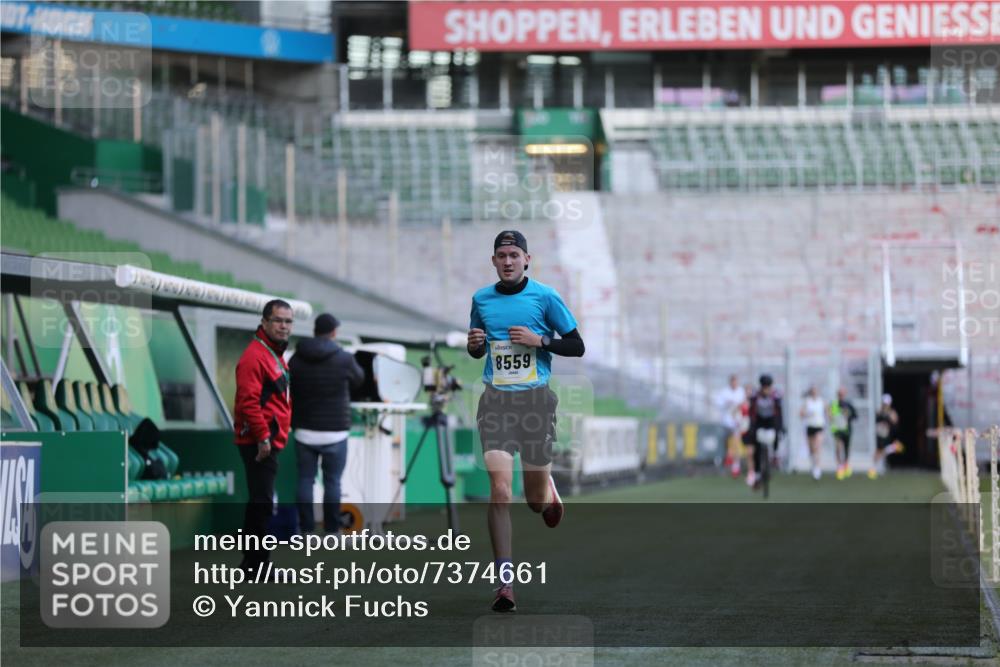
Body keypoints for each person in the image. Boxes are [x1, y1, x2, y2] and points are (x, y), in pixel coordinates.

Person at [467, 230, 585, 612]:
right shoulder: (480, 300)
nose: (507, 261)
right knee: (500, 491)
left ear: (527, 260)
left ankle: (546, 489)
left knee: (534, 503)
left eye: (514, 254)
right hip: (496, 402)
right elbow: (479, 347)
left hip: (535, 403)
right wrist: (475, 347)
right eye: (501, 255)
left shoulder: (545, 297)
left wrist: (540, 341)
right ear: (493, 260)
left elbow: (577, 345)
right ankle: (505, 583)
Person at [289, 313, 364, 535]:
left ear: (315, 330)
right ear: (333, 332)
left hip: (304, 431)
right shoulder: (344, 358)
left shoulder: (295, 357)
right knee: (333, 483)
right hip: (335, 432)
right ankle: (332, 531)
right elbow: (358, 380)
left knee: (305, 480)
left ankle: (306, 531)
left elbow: (288, 384)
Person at [233, 299, 293, 571]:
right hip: (259, 442)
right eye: (279, 320)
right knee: (262, 503)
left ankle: (251, 563)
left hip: (267, 439)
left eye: (288, 321)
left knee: (261, 501)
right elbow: (248, 402)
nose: (284, 326)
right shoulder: (255, 356)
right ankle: (257, 565)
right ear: (265, 322)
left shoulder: (272, 353)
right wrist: (263, 438)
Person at [747, 374, 783, 489]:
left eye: (768, 387)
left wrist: (780, 427)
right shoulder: (755, 396)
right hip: (759, 422)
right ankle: (757, 474)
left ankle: (775, 455)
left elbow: (779, 413)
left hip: (771, 421)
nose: (766, 390)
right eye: (764, 387)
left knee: (776, 434)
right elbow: (751, 413)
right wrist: (751, 428)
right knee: (756, 449)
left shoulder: (775, 396)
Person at [716, 375, 746, 478]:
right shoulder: (724, 392)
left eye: (736, 382)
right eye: (732, 382)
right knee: (725, 443)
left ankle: (735, 466)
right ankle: (727, 459)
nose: (734, 384)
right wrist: (727, 403)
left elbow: (743, 405)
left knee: (736, 442)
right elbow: (718, 403)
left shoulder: (741, 392)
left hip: (736, 422)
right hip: (726, 422)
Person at [869, 393, 904, 479]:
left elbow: (895, 422)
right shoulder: (880, 411)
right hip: (881, 434)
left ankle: (893, 448)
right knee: (879, 450)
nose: (885, 405)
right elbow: (877, 420)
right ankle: (873, 468)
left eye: (886, 403)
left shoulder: (891, 412)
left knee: (882, 450)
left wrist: (888, 417)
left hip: (888, 434)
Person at [829, 387, 858, 480]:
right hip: (837, 429)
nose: (841, 396)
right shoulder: (834, 404)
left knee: (846, 448)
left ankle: (846, 464)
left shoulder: (849, 404)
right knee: (838, 446)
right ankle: (839, 467)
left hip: (847, 430)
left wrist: (848, 415)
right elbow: (830, 415)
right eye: (839, 394)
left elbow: (855, 416)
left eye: (842, 394)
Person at [800, 386, 826, 480]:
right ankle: (813, 464)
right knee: (811, 449)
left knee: (817, 447)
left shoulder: (821, 401)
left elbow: (828, 412)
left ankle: (817, 468)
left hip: (819, 426)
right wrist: (807, 414)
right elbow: (801, 414)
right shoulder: (807, 401)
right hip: (810, 427)